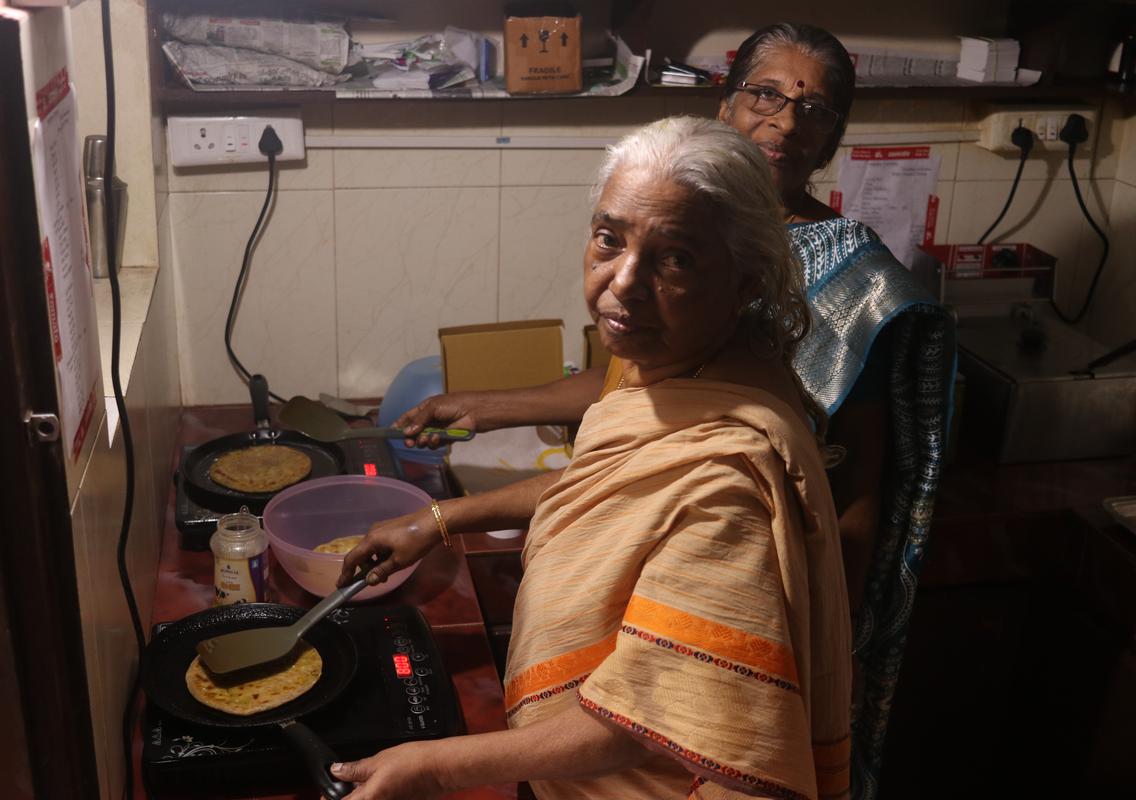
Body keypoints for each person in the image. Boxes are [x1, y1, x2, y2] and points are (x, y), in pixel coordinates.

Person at [344, 23, 954, 799]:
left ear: (745, 283)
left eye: (676, 259)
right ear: (727, 100)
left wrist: (431, 762)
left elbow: (640, 719)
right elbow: (609, 474)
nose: (624, 287)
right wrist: (435, 521)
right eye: (609, 240)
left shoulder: (730, 476)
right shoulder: (681, 363)